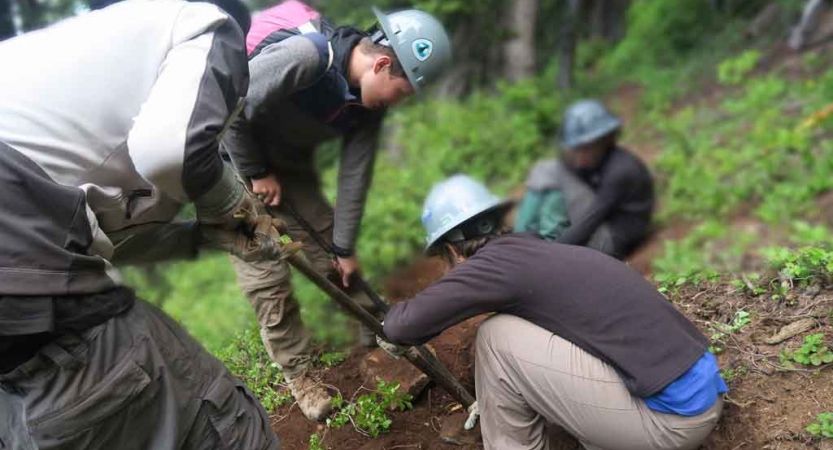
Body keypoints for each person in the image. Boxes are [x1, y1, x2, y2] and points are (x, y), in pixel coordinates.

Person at [0, 1, 280, 448]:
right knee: (227, 434)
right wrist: (226, 201)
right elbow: (169, 152)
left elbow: (92, 240)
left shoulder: (58, 72)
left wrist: (197, 237)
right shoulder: (209, 22)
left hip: (15, 392)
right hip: (58, 330)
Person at [221, 0, 452, 421]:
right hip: (226, 158)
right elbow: (229, 106)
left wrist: (343, 246)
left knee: (330, 249)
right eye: (402, 93)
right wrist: (255, 171)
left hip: (283, 160)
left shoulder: (367, 106)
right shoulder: (307, 56)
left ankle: (384, 335)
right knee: (266, 273)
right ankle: (300, 377)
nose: (397, 104)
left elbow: (353, 177)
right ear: (382, 64)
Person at [381, 175, 727, 450]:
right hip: (700, 396)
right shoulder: (537, 252)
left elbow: (402, 326)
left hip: (670, 422)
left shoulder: (495, 265)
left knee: (496, 336)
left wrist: (391, 328)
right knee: (519, 329)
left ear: (453, 247)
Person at [514, 99, 654, 258]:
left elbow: (588, 223)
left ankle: (524, 248)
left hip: (611, 241)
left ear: (604, 140)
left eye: (585, 148)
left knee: (549, 170)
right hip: (605, 229)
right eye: (577, 149)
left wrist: (551, 254)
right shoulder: (604, 158)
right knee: (547, 170)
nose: (579, 155)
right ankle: (521, 243)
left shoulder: (620, 172)